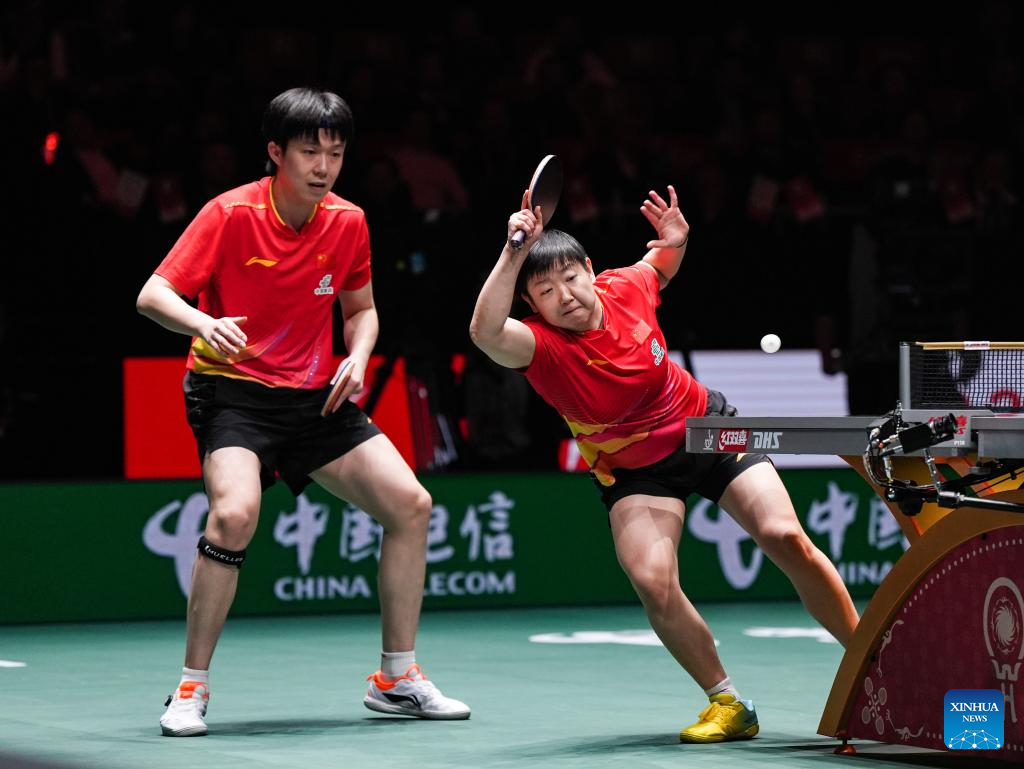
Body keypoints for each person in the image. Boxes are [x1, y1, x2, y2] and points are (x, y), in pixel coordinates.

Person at [469, 186, 858, 743]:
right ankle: (728, 703)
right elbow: (484, 333)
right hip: (636, 473)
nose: (565, 296)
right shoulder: (541, 348)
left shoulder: (627, 286)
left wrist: (678, 240)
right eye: (546, 292)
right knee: (652, 580)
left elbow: (662, 263)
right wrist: (513, 250)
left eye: (571, 278)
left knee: (785, 536)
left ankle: (870, 659)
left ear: (590, 269)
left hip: (707, 431)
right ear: (532, 305)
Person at [136, 87, 469, 737]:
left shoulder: (348, 221)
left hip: (316, 399)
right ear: (275, 152)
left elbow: (361, 310)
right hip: (233, 391)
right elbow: (153, 294)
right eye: (309, 152)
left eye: (335, 153)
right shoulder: (229, 214)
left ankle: (396, 678)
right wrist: (203, 323)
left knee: (411, 504)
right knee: (234, 514)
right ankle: (190, 686)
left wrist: (360, 355)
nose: (323, 167)